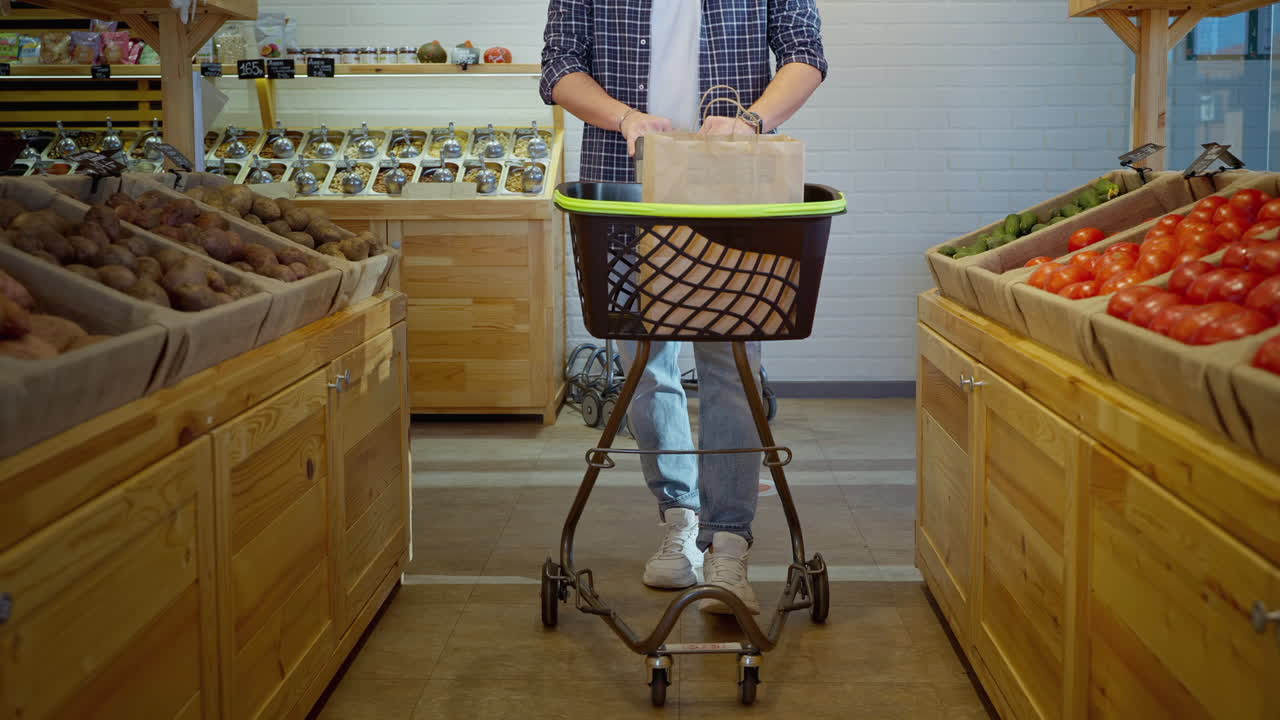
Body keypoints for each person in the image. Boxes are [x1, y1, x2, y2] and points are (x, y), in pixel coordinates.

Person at [541, 0, 827, 614]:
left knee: (731, 367)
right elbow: (559, 67)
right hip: (625, 185)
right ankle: (677, 519)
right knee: (646, 366)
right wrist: (624, 119)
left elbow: (805, 55)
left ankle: (729, 542)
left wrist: (750, 122)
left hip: (734, 190)